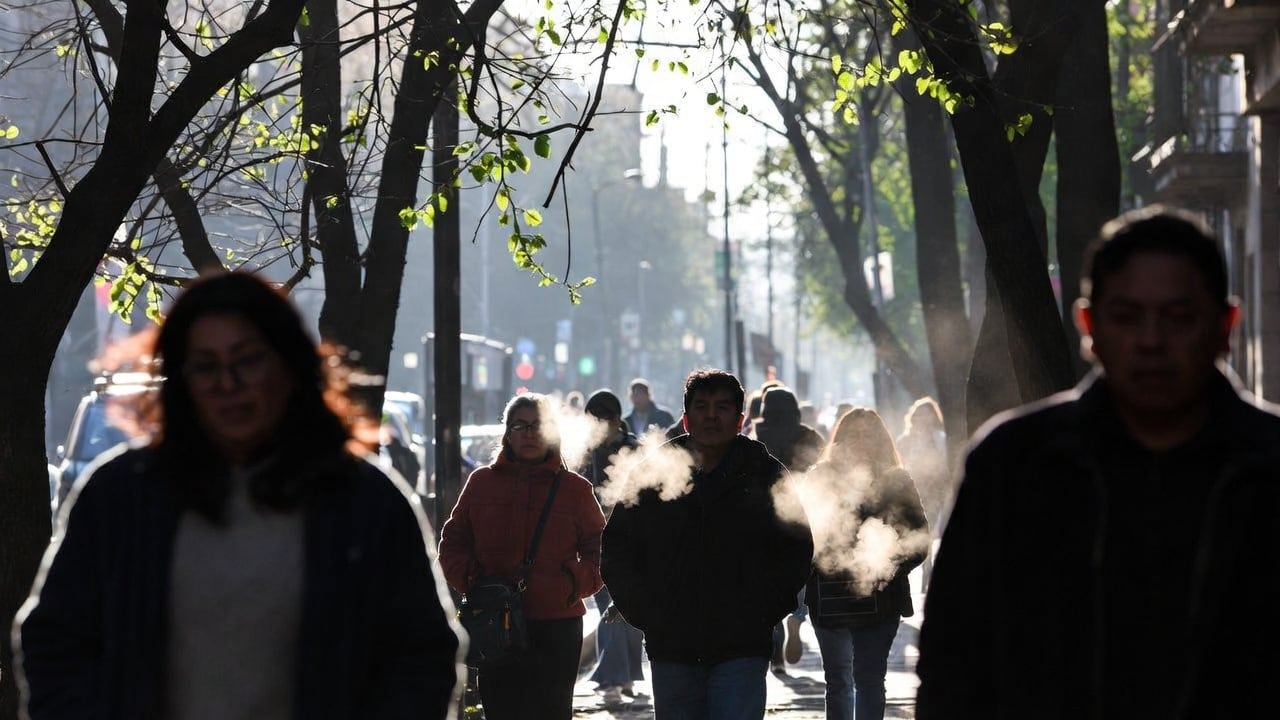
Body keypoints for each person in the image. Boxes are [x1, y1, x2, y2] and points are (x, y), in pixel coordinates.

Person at [13, 271, 462, 720]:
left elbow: (421, 655)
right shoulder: (121, 498)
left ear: (289, 366)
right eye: (205, 365)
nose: (227, 383)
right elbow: (55, 642)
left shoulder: (363, 501)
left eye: (247, 360)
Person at [916, 206, 1280, 718]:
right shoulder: (1013, 465)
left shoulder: (1268, 463)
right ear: (1089, 324)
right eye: (1127, 317)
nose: (1151, 342)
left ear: (1225, 325)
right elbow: (953, 667)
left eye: (1178, 317)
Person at [602, 369, 814, 720]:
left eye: (722, 407)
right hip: (672, 644)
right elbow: (618, 548)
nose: (711, 416)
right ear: (686, 418)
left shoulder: (764, 472)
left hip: (743, 643)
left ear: (740, 419)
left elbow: (796, 548)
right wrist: (646, 613)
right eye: (701, 406)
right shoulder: (652, 473)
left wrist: (766, 611)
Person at [438, 393, 606, 720]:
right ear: (507, 434)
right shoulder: (482, 483)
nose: (529, 433)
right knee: (502, 710)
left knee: (552, 712)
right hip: (495, 624)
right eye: (520, 425)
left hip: (557, 624)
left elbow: (601, 548)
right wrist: (474, 582)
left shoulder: (575, 489)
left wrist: (572, 582)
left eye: (538, 425)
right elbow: (452, 542)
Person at [804, 408, 928, 720]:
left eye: (867, 435)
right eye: (852, 435)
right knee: (838, 680)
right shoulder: (819, 478)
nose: (859, 442)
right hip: (829, 598)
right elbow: (801, 534)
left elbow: (919, 538)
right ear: (839, 440)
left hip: (881, 600)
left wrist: (884, 570)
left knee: (870, 679)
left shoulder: (896, 481)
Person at [750, 386, 825, 673]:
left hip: (765, 524)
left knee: (768, 587)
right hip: (804, 518)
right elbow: (827, 475)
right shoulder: (809, 437)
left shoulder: (757, 436)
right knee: (800, 576)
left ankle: (776, 655)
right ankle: (798, 615)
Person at [580, 390, 646, 707]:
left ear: (617, 420)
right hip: (593, 539)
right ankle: (616, 677)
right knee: (610, 607)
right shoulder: (583, 452)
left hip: (629, 540)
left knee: (625, 609)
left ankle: (620, 676)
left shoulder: (634, 449)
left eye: (601, 420)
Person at [895, 396, 948, 588]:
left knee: (929, 531)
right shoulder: (905, 440)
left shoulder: (940, 439)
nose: (924, 419)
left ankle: (928, 571)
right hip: (911, 493)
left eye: (928, 415)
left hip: (934, 492)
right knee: (910, 533)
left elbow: (944, 465)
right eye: (921, 415)